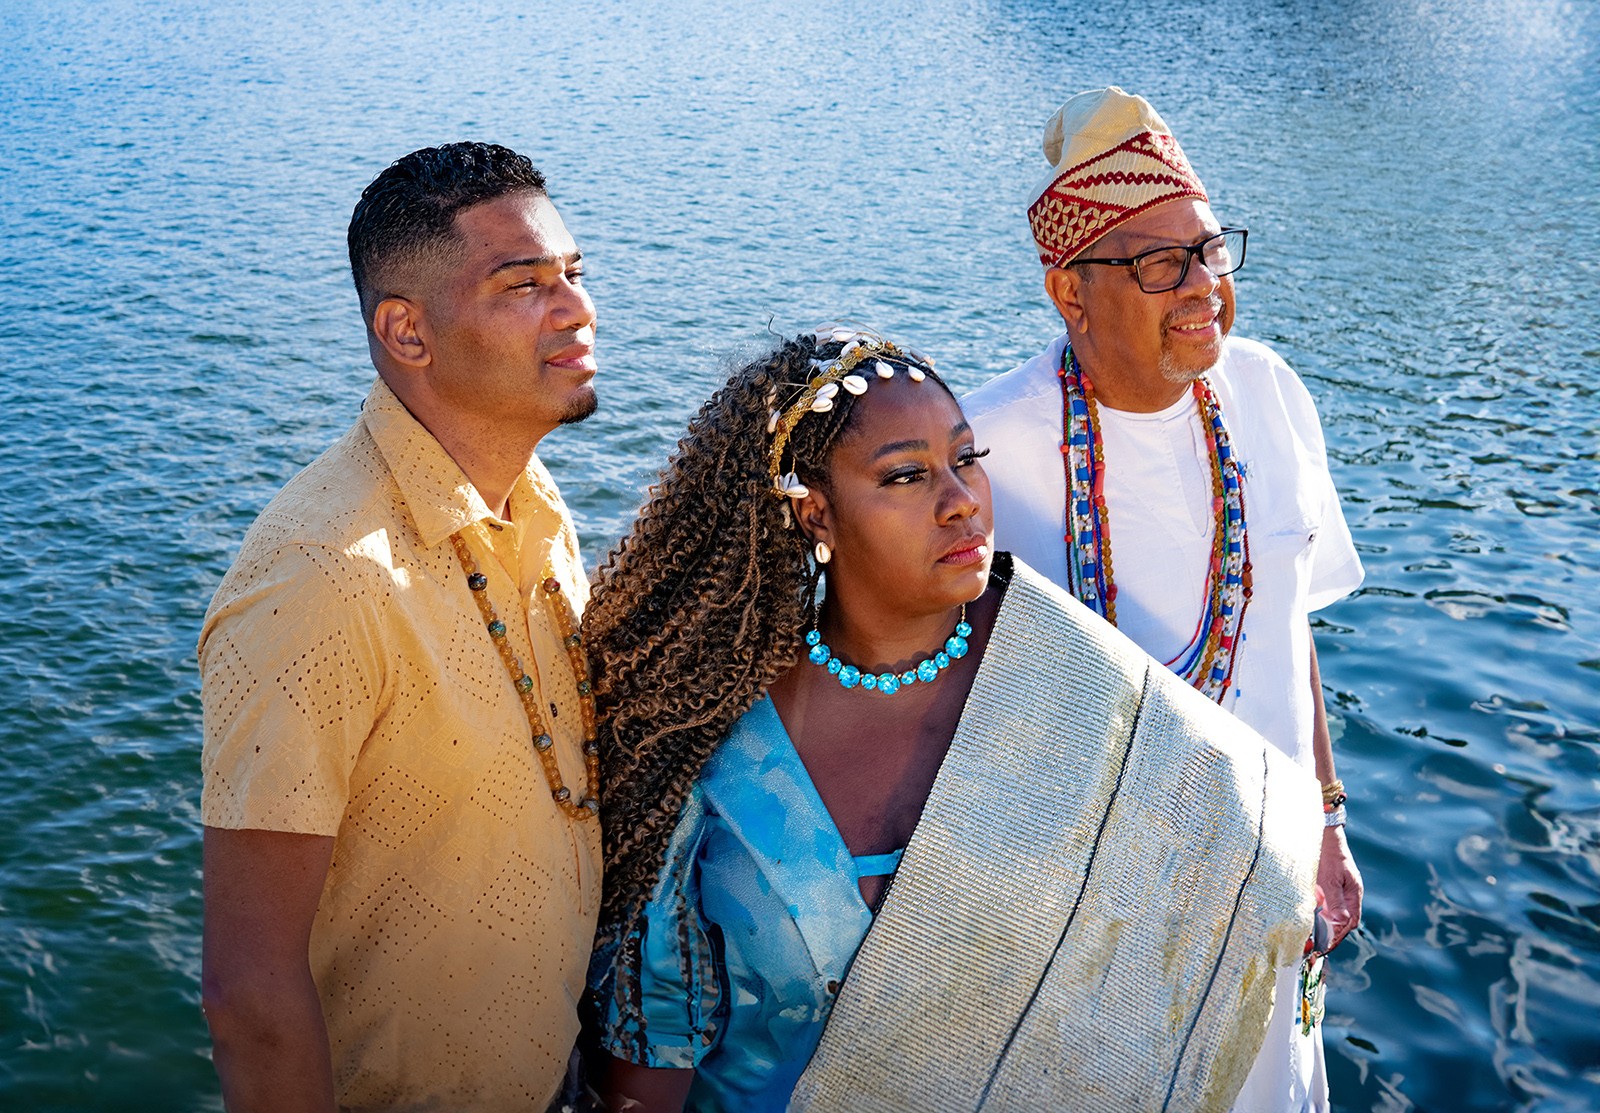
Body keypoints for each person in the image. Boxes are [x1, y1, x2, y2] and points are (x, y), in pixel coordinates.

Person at [583, 326, 1324, 1113]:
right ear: (815, 516)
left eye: (967, 458)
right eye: (906, 474)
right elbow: (653, 1055)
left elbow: (1224, 892)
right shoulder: (707, 734)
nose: (962, 500)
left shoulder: (1072, 679)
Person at [962, 87, 1366, 1113]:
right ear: (1069, 291)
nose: (1202, 288)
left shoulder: (1267, 389)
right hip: (1090, 922)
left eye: (1210, 250)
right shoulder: (978, 449)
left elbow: (1286, 627)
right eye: (1158, 263)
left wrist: (1327, 823)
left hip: (1271, 887)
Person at [197, 142, 602, 1112]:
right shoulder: (321, 583)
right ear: (406, 333)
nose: (577, 309)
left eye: (574, 276)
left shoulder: (533, 502)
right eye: (522, 285)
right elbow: (247, 993)